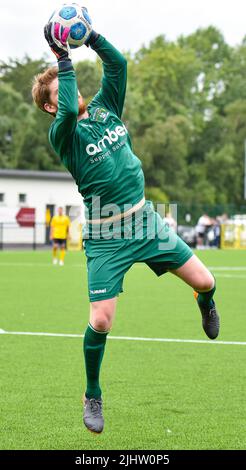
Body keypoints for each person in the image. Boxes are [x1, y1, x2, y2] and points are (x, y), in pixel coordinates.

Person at [32, 11, 220, 435]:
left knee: (206, 281)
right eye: (62, 89)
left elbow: (118, 66)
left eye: (72, 84)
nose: (72, 90)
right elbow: (65, 107)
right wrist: (62, 59)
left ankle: (203, 302)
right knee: (101, 320)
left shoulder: (104, 108)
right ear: (49, 104)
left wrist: (91, 36)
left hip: (146, 222)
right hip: (106, 235)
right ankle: (92, 394)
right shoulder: (63, 134)